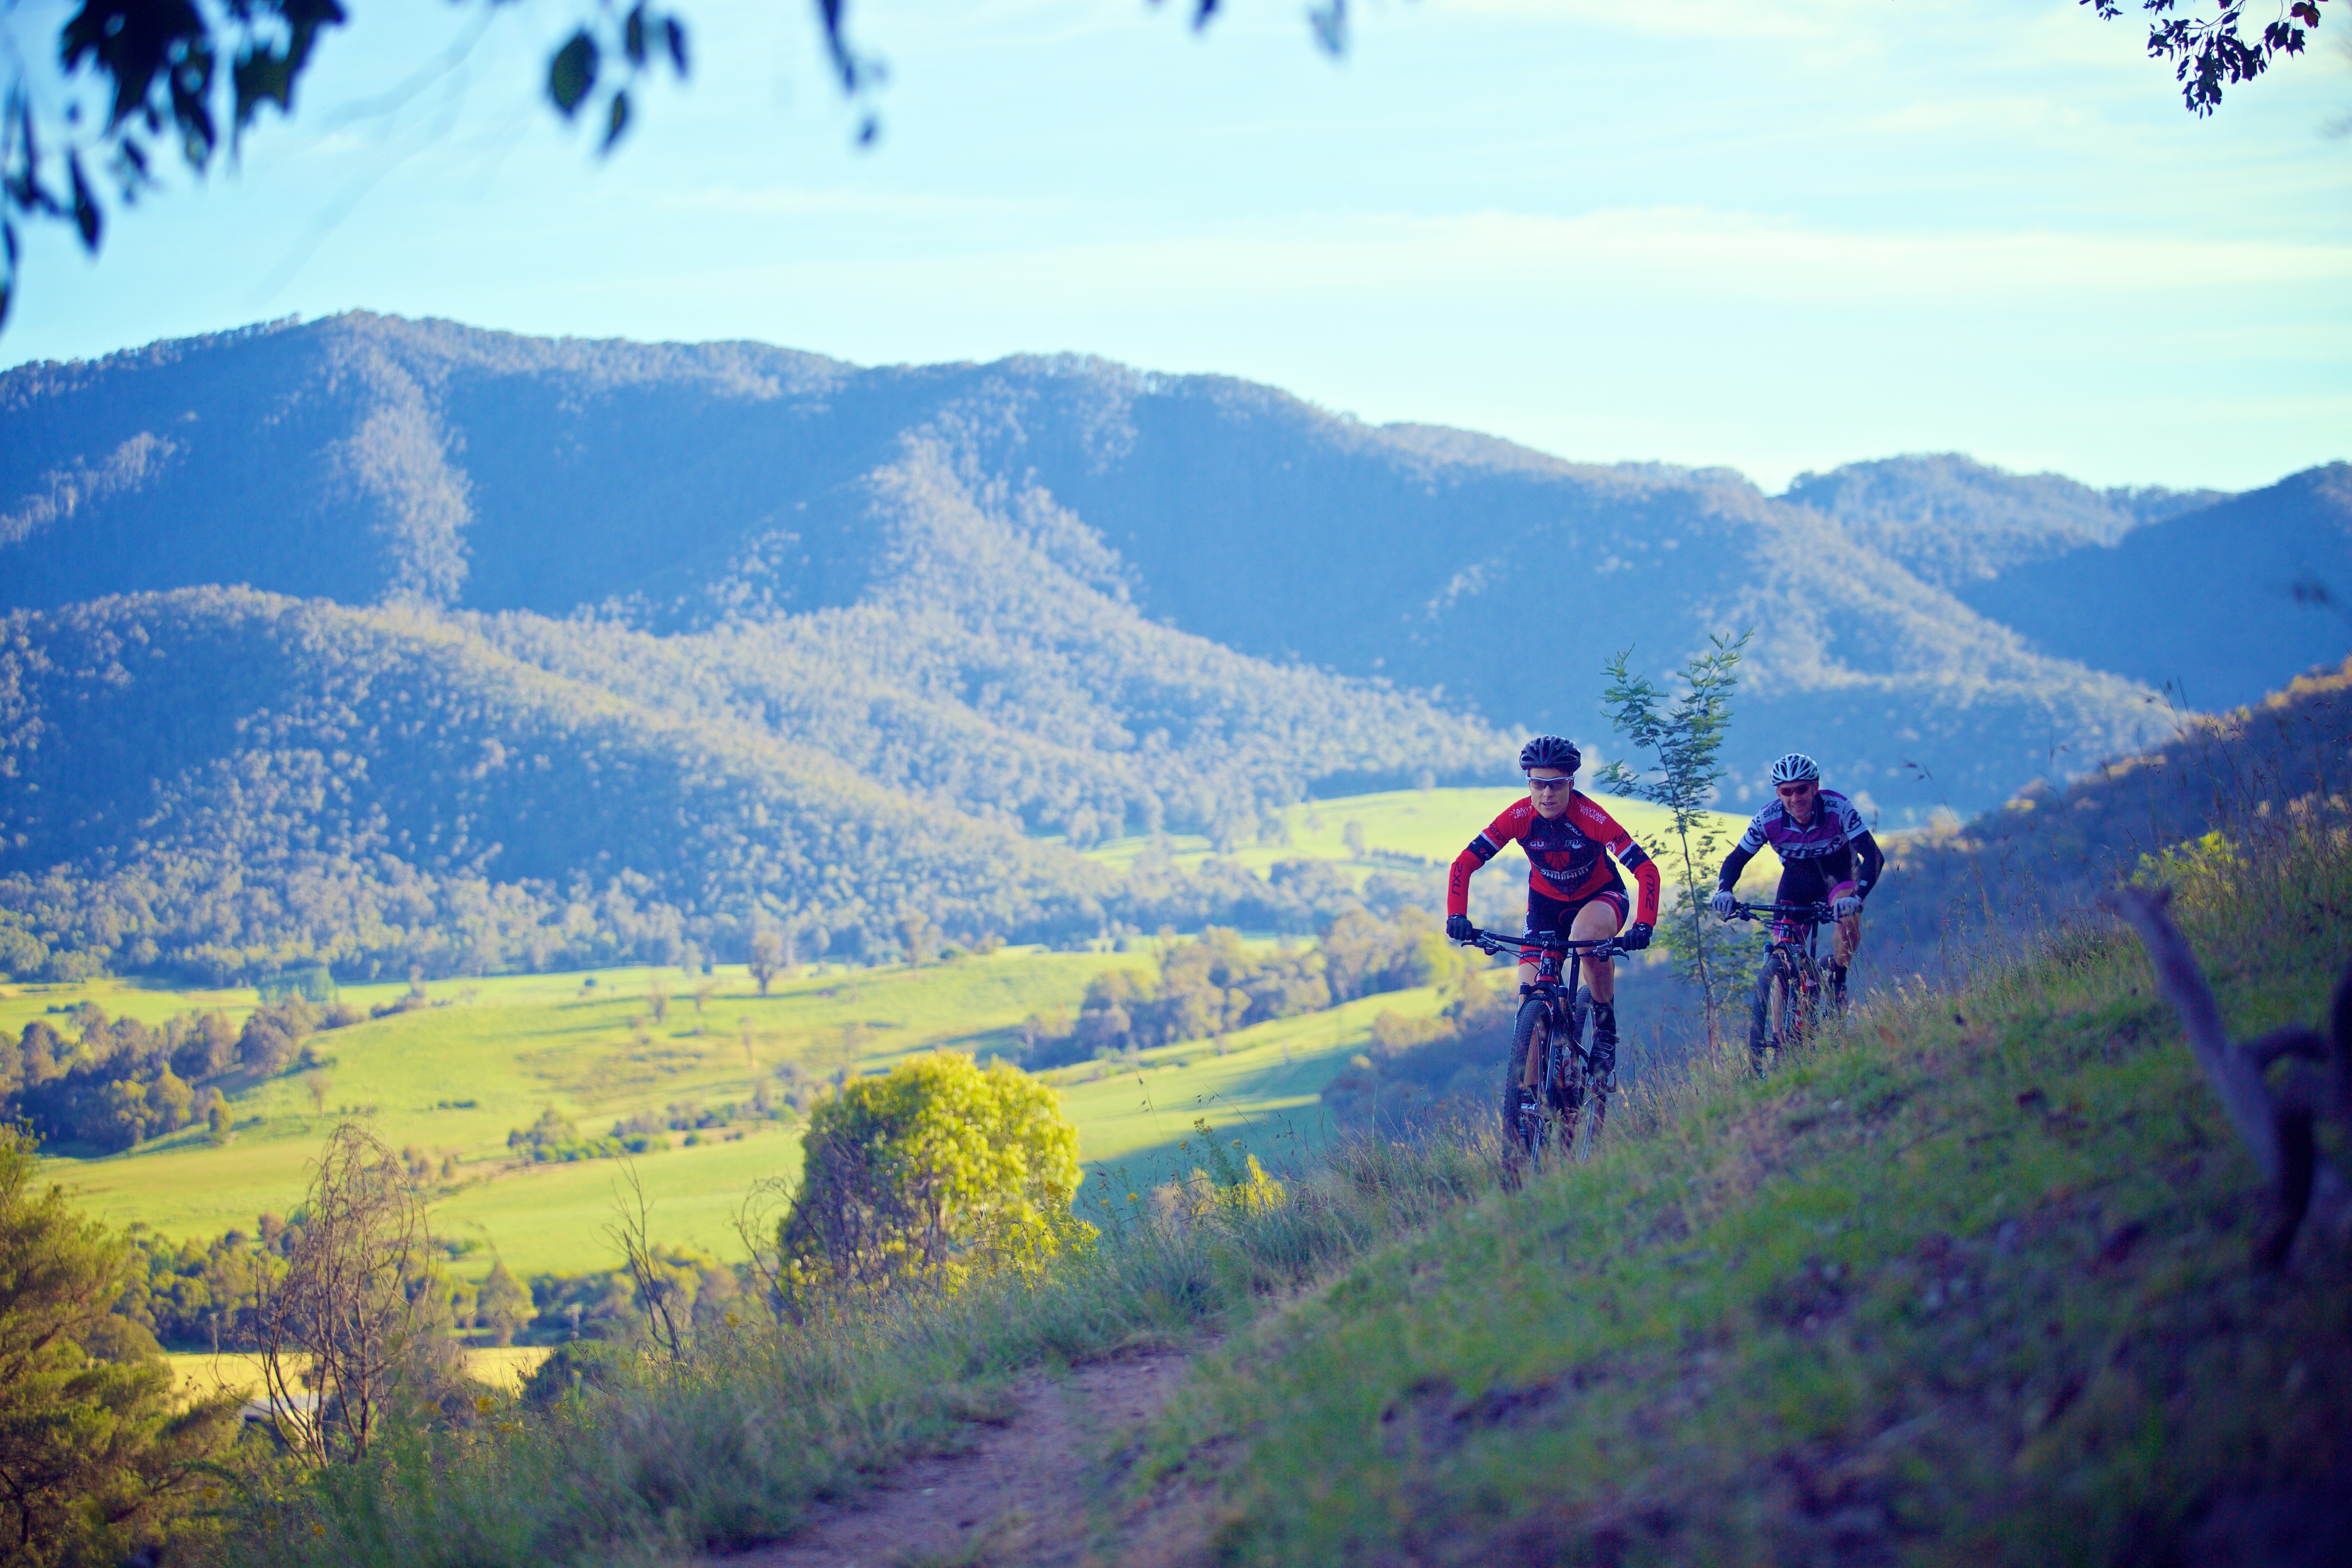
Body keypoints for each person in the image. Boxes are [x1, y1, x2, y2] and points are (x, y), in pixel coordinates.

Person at [1445, 735, 1661, 1085]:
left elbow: (1646, 870)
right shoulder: (1518, 816)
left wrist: (1644, 924)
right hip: (1545, 910)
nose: (1547, 794)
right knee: (1527, 1005)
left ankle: (1605, 1027)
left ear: (1571, 785)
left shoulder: (1591, 817)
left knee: (1586, 938)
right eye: (1538, 784)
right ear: (1529, 784)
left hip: (1601, 898)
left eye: (1557, 785)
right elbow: (1464, 863)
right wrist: (1457, 915)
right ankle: (1530, 1111)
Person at [1707, 752, 1885, 991]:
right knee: (1781, 954)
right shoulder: (1767, 819)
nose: (1795, 798)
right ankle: (1782, 1028)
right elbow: (1737, 858)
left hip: (1839, 875)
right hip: (1797, 880)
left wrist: (1858, 897)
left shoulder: (1839, 808)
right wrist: (1724, 890)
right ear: (1778, 793)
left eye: (1801, 789)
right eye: (1787, 791)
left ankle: (1838, 979)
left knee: (1847, 922)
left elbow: (1874, 857)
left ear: (1815, 788)